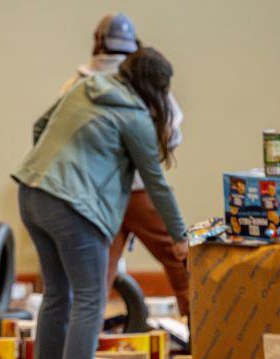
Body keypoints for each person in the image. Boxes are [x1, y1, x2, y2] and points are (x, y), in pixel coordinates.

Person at [13, 48, 187, 359]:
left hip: (31, 192)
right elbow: (155, 180)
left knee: (57, 294)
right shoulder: (136, 116)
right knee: (90, 297)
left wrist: (53, 170)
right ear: (156, 89)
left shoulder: (85, 86)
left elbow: (39, 126)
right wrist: (179, 234)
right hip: (73, 208)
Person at [61, 13, 189, 317]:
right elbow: (173, 132)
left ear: (98, 41)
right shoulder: (142, 78)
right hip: (141, 191)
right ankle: (199, 331)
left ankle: (89, 349)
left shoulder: (78, 83)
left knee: (97, 279)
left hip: (99, 196)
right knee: (179, 261)